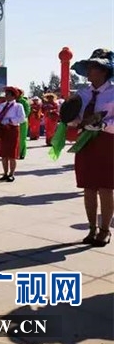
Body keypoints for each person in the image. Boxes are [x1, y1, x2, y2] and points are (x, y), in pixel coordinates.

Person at [69, 48, 113, 247]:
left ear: (104, 71)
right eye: (88, 66)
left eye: (94, 66)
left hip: (107, 142)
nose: (89, 70)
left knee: (105, 188)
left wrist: (104, 124)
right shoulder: (82, 93)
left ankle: (105, 230)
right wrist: (67, 119)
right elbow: (76, 118)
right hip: (85, 142)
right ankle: (91, 228)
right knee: (88, 187)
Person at [0, 87, 26, 182]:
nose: (5, 96)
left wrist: (10, 121)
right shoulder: (2, 105)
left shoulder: (18, 106)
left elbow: (22, 118)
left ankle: (11, 174)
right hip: (2, 130)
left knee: (12, 154)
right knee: (3, 154)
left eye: (7, 94)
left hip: (12, 130)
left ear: (13, 96)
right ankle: (5, 173)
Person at [17, 90, 31, 159]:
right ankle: (16, 153)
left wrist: (20, 118)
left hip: (23, 122)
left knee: (22, 138)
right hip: (14, 123)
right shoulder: (13, 101)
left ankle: (22, 153)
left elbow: (27, 111)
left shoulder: (24, 101)